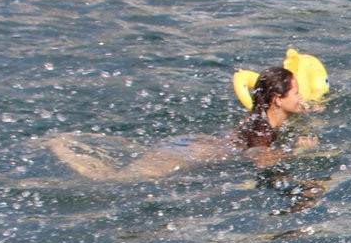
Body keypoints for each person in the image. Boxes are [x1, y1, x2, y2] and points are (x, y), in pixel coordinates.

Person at [47, 65, 317, 183]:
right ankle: (59, 146)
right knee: (111, 179)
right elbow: (262, 160)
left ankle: (73, 145)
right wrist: (300, 151)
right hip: (187, 153)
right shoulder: (262, 131)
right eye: (296, 93)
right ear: (277, 99)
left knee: (129, 157)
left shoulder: (264, 117)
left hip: (191, 143)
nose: (301, 97)